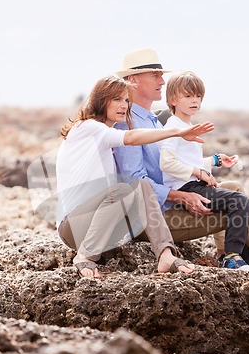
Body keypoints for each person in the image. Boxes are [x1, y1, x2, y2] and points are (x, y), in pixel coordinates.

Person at [113, 48, 249, 269]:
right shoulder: (128, 124)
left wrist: (214, 162)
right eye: (155, 75)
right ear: (133, 80)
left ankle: (231, 258)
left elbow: (174, 164)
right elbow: (135, 184)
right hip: (154, 220)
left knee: (234, 188)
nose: (162, 81)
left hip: (169, 204)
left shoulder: (154, 121)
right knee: (238, 206)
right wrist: (182, 196)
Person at [56, 75, 213, 279]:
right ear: (101, 100)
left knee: (141, 185)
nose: (124, 106)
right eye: (117, 100)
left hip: (100, 224)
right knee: (127, 187)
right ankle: (84, 256)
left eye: (127, 100)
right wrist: (177, 132)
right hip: (74, 226)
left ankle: (165, 255)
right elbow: (131, 138)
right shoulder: (88, 127)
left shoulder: (104, 139)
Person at [160, 70, 249, 271]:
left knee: (238, 200)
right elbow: (166, 163)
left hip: (194, 183)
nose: (194, 100)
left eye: (198, 96)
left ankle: (248, 262)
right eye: (188, 95)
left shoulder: (186, 124)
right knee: (240, 201)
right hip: (187, 188)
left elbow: (186, 159)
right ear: (172, 99)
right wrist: (199, 173)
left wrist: (214, 161)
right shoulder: (173, 127)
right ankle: (231, 256)